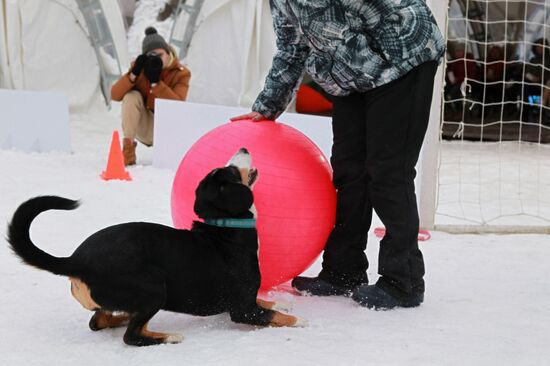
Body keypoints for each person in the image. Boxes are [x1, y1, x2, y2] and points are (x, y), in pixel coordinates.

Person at [231, 0, 445, 310]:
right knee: (349, 170)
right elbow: (292, 47)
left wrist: (364, 59)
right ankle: (343, 271)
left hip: (403, 57)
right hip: (353, 73)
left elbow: (382, 11)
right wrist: (267, 106)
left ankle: (404, 281)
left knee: (387, 171)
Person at [111, 27, 191, 166]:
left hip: (169, 130)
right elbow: (114, 95)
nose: (156, 59)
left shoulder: (181, 73)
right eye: (151, 56)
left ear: (168, 53)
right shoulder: (140, 71)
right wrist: (134, 73)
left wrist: (156, 83)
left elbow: (178, 105)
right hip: (146, 126)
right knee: (131, 95)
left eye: (159, 55)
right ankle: (128, 150)